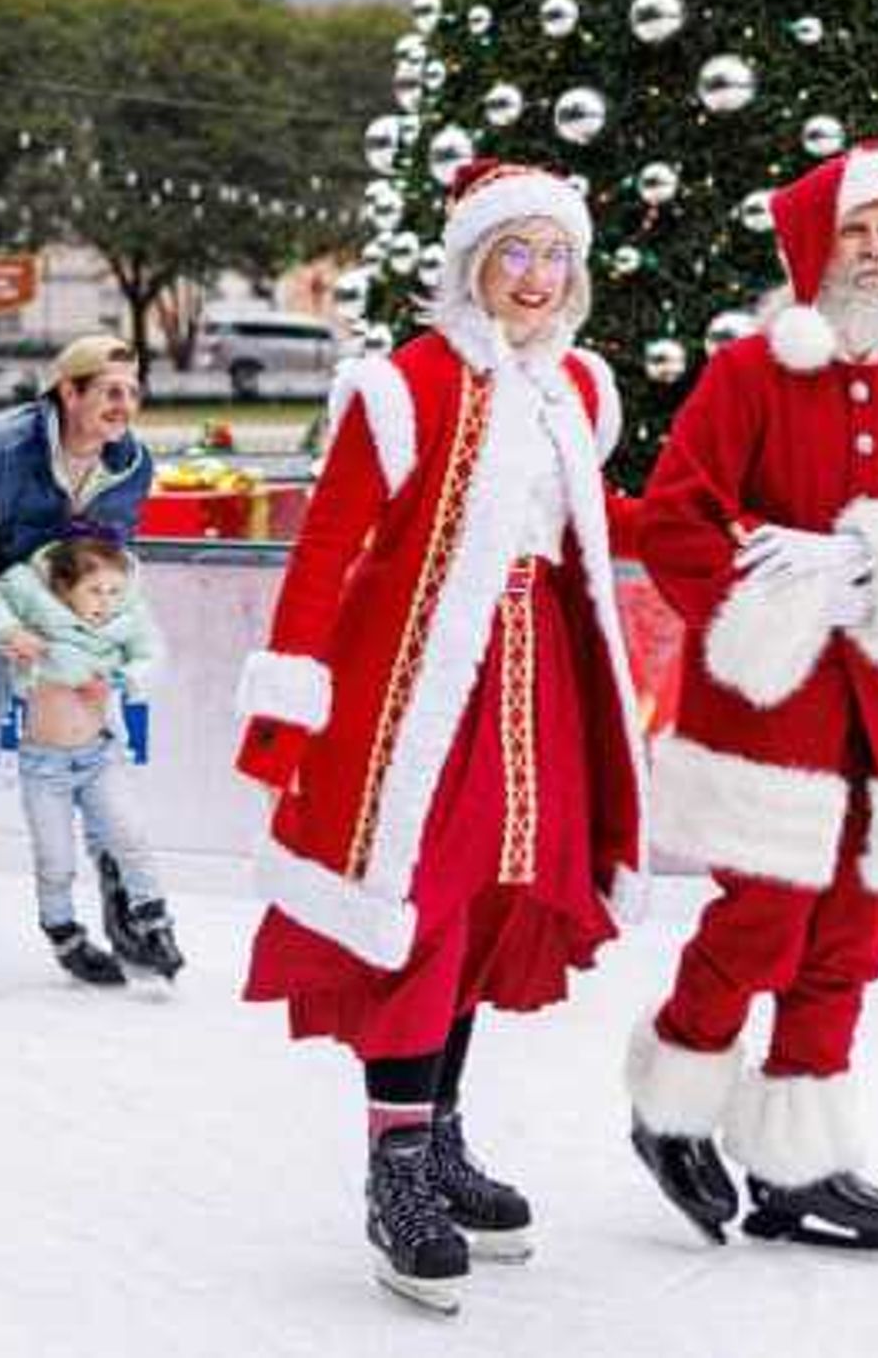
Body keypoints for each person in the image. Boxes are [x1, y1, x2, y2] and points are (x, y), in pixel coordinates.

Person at [232, 160, 647, 1314]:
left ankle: (442, 1134)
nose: (535, 276)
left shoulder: (575, 389)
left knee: (490, 906)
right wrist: (288, 707)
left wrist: (719, 528)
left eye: (553, 254)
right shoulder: (403, 385)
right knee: (418, 908)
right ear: (471, 263)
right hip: (417, 696)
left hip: (539, 679)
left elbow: (593, 525)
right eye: (514, 252)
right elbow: (328, 546)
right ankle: (397, 1170)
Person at [624, 146, 878, 1252]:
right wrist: (772, 585)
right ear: (812, 250)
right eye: (854, 232)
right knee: (764, 918)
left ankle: (797, 1162)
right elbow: (676, 520)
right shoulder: (749, 372)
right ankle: (671, 1106)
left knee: (852, 929)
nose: (875, 251)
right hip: (767, 705)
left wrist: (871, 560)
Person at [0, 334, 160, 993]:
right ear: (68, 391)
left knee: (96, 752)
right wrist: (3, 627)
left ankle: (122, 902)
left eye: (133, 391)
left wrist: (105, 641)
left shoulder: (132, 463)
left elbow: (112, 561)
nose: (125, 404)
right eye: (110, 390)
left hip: (68, 638)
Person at [0, 534, 181, 984]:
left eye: (114, 591)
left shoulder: (124, 620)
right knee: (55, 860)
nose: (106, 602)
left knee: (130, 836)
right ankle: (63, 933)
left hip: (100, 757)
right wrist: (11, 633)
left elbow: (153, 655)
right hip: (44, 767)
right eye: (95, 591)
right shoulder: (35, 608)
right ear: (64, 588)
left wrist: (120, 679)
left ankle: (154, 923)